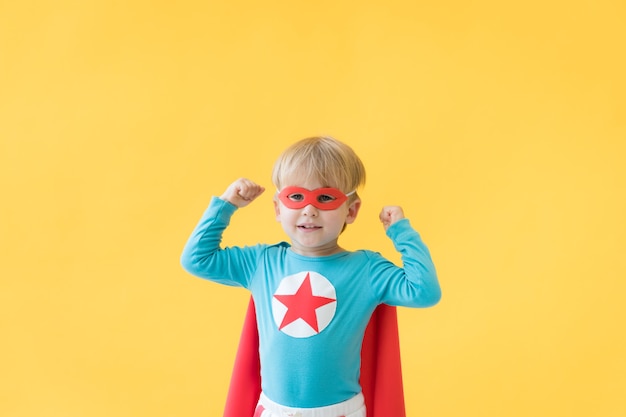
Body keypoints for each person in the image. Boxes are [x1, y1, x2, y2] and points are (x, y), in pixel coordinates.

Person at [181, 136, 441, 417]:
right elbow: (197, 260)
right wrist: (226, 204)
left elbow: (424, 290)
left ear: (351, 211)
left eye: (326, 198)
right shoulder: (261, 262)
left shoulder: (366, 269)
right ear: (278, 208)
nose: (309, 209)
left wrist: (401, 232)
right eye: (296, 196)